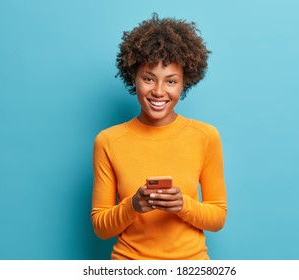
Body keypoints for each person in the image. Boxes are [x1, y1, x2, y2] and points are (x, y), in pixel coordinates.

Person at [91, 13, 227, 260]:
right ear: (133, 77)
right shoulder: (108, 141)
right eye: (148, 79)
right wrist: (133, 206)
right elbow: (101, 227)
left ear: (184, 83)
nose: (159, 91)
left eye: (171, 81)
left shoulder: (206, 136)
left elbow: (218, 217)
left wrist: (182, 205)